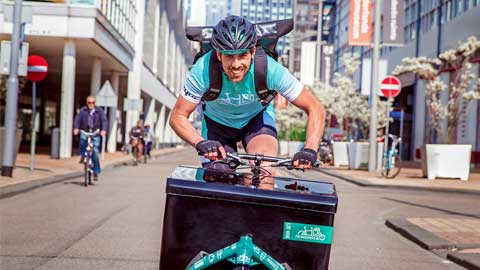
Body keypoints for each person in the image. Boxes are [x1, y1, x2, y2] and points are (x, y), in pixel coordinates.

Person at [169, 16, 326, 188]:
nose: (236, 64)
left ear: (252, 52)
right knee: (219, 178)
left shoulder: (270, 69)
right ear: (219, 54)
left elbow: (315, 107)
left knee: (264, 171)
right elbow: (178, 116)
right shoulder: (202, 70)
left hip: (256, 120)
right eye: (229, 56)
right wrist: (200, 142)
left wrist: (310, 149)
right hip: (216, 126)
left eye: (242, 55)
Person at [73, 96, 108, 181]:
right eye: (89, 102)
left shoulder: (99, 111)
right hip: (85, 131)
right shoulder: (83, 110)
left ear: (95, 103)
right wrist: (76, 128)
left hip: (95, 132)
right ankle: (82, 155)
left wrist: (103, 130)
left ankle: (95, 171)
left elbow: (104, 120)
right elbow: (77, 119)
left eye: (93, 102)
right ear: (87, 103)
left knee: (95, 151)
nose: (91, 104)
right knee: (82, 141)